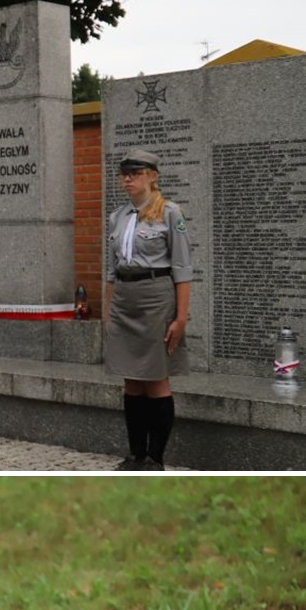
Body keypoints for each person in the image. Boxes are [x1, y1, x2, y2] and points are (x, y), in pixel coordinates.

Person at [103, 148, 192, 471]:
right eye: (125, 174)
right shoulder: (118, 216)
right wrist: (109, 311)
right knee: (131, 381)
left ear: (153, 177)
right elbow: (112, 270)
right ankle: (136, 454)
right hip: (126, 300)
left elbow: (182, 270)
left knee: (155, 379)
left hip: (156, 298)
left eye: (136, 173)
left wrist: (180, 318)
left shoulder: (170, 213)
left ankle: (156, 457)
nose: (128, 179)